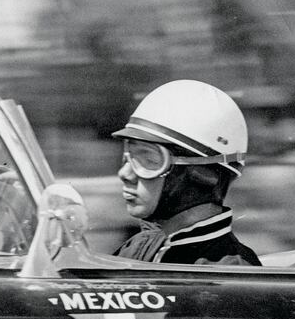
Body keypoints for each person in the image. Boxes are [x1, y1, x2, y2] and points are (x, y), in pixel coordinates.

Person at [112, 79, 261, 266]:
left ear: (203, 175)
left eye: (149, 160)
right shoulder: (137, 247)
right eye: (128, 156)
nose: (125, 173)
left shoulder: (231, 271)